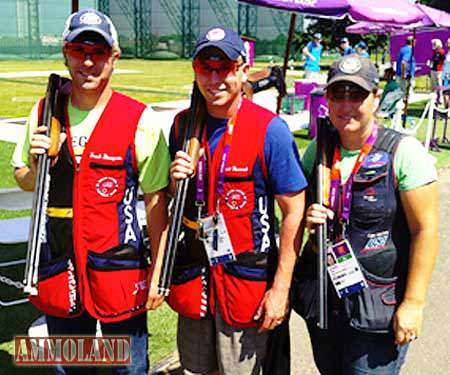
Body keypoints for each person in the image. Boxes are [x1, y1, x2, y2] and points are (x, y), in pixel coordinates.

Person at [12, 9, 171, 374]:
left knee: (128, 369)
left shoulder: (139, 119)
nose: (87, 61)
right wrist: (37, 168)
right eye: (78, 49)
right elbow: (23, 177)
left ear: (114, 57)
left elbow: (157, 202)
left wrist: (159, 272)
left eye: (98, 52)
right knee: (73, 367)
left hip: (120, 273)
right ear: (65, 53)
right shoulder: (43, 112)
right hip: (60, 270)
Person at [167, 26, 307, 375]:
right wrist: (174, 182)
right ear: (196, 70)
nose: (215, 78)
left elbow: (294, 212)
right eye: (206, 67)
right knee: (197, 369)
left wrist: (280, 289)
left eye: (225, 68)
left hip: (246, 283)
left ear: (243, 70)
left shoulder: (270, 130)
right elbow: (172, 200)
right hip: (195, 277)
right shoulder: (183, 125)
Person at [294, 54, 438, 374]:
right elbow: (296, 213)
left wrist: (413, 303)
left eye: (356, 94)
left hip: (378, 309)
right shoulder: (317, 150)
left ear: (375, 97)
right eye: (337, 94)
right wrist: (309, 222)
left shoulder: (403, 152)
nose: (346, 105)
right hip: (326, 301)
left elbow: (425, 230)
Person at [429, 38, 446, 103]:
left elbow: (441, 60)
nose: (433, 45)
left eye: (434, 44)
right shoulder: (435, 51)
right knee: (434, 84)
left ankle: (440, 97)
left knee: (439, 84)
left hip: (439, 70)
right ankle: (434, 97)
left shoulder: (441, 51)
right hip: (434, 69)